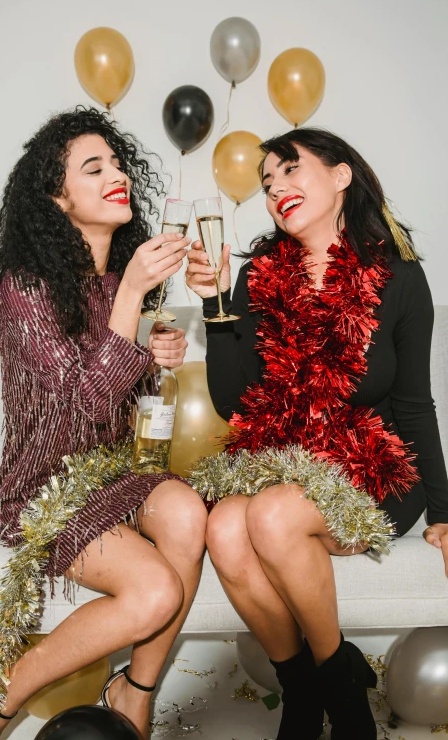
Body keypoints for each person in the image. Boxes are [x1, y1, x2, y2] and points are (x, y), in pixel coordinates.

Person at [0, 107, 208, 740]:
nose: (116, 174)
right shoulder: (25, 288)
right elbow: (81, 409)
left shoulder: (122, 281)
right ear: (59, 198)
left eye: (117, 164)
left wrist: (154, 362)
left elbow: (119, 409)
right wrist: (130, 304)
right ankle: (10, 685)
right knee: (153, 594)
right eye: (94, 168)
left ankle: (134, 692)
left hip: (115, 473)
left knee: (187, 512)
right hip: (47, 493)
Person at [186, 128, 448, 740]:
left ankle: (340, 693)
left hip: (373, 467)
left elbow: (415, 406)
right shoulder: (256, 278)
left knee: (273, 516)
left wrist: (445, 512)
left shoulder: (401, 281)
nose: (276, 189)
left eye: (290, 171)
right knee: (225, 523)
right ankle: (309, 687)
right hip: (286, 463)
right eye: (267, 184)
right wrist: (218, 302)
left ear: (340, 176)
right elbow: (235, 402)